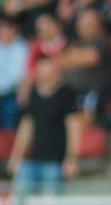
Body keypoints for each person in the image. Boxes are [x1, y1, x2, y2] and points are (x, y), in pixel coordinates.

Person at [8, 56, 82, 197]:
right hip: (34, 158)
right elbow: (26, 127)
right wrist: (16, 155)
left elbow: (74, 127)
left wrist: (72, 158)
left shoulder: (66, 94)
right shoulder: (33, 93)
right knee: (23, 203)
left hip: (56, 160)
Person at [0, 18, 29, 130]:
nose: (2, 34)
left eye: (5, 30)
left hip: (11, 93)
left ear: (13, 30)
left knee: (9, 114)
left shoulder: (21, 48)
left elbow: (17, 75)